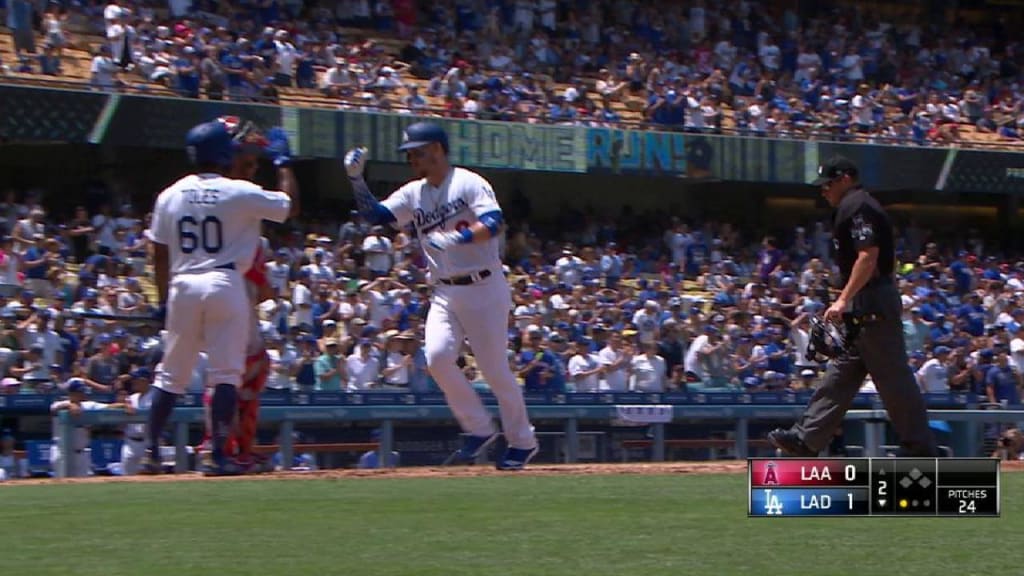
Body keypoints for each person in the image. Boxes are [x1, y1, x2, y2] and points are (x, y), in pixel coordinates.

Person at [343, 122, 538, 470]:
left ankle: (523, 442)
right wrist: (357, 180)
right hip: (445, 290)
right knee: (436, 358)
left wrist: (457, 239)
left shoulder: (468, 182)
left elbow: (494, 222)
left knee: (494, 371)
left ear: (437, 149)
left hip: (485, 286)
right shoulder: (414, 192)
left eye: (418, 152)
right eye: (410, 154)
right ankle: (479, 428)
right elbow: (377, 216)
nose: (413, 159)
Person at [143, 117, 298, 476]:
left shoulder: (170, 193)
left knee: (170, 376)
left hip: (183, 283)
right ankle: (217, 455)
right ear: (224, 153)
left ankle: (149, 451)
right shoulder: (236, 190)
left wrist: (163, 301)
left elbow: (159, 254)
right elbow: (289, 206)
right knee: (225, 374)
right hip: (224, 282)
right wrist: (285, 164)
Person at [768, 156, 937, 457]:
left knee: (892, 376)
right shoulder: (854, 206)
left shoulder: (858, 204)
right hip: (866, 298)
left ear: (846, 178)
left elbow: (868, 256)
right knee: (841, 373)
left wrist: (844, 298)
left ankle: (920, 448)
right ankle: (806, 439)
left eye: (829, 183)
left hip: (871, 299)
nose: (824, 190)